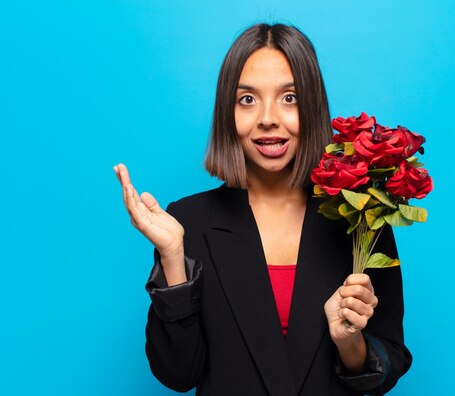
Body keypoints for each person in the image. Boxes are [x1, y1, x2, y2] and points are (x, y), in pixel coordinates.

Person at [114, 23, 411, 395]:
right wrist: (174, 258)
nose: (268, 118)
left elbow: (388, 364)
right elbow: (178, 374)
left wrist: (349, 340)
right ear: (228, 113)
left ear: (313, 106)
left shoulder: (362, 219)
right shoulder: (188, 222)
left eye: (290, 98)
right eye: (247, 99)